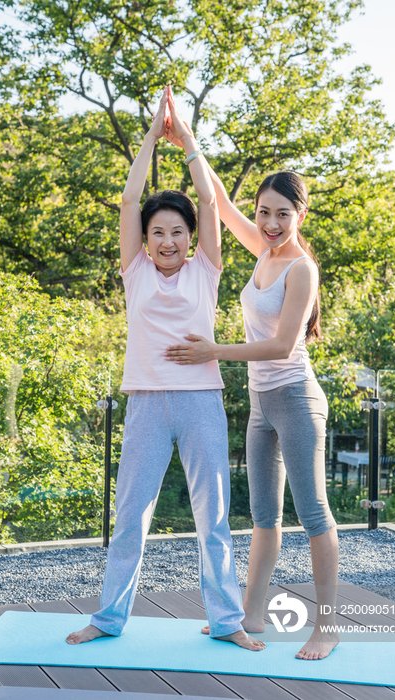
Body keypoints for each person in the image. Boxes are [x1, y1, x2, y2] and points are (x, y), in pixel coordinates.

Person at [66, 87, 265, 651]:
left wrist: (189, 139)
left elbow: (208, 201)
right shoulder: (137, 272)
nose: (170, 239)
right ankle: (107, 618)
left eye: (178, 230)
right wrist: (153, 135)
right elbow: (131, 202)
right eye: (160, 233)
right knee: (131, 516)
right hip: (148, 402)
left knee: (215, 519)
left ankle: (227, 623)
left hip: (201, 398)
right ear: (147, 242)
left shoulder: (207, 268)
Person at [165, 164, 340, 660]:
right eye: (264, 212)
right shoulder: (264, 250)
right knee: (264, 517)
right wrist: (189, 143)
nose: (270, 223)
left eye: (282, 214)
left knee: (314, 516)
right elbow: (217, 199)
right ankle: (252, 612)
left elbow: (284, 346)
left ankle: (327, 627)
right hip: (262, 405)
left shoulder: (300, 267)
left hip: (296, 400)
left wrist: (213, 351)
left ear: (300, 214)